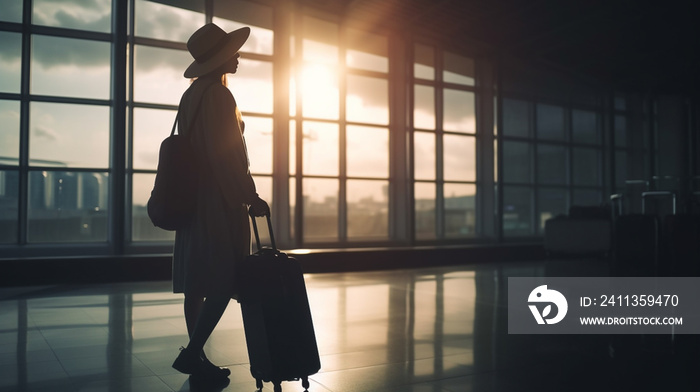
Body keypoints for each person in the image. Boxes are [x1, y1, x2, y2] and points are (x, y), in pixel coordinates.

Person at [171, 23, 269, 378]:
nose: (239, 56)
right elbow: (228, 156)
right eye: (233, 51)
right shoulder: (220, 96)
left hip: (194, 198)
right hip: (218, 199)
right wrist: (250, 196)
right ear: (220, 58)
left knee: (197, 282)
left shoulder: (192, 94)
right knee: (226, 279)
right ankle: (193, 352)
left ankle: (196, 357)